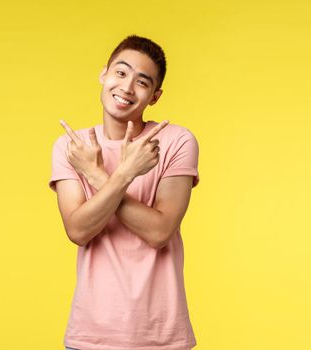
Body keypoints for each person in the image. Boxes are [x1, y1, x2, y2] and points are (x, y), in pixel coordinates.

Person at [49, 34, 200, 350]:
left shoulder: (175, 141)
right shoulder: (72, 147)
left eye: (142, 82)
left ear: (155, 96)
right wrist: (126, 173)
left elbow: (159, 231)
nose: (127, 87)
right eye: (121, 73)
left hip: (161, 337)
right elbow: (78, 230)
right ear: (104, 74)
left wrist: (95, 174)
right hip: (90, 336)